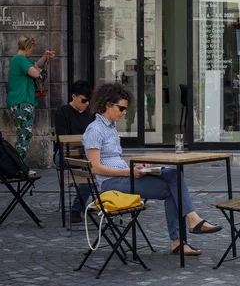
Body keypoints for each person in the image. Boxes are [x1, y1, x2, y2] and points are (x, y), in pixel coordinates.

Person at [83, 83, 222, 256]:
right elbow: (96, 168)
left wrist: (136, 168)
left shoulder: (111, 129)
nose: (124, 112)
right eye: (122, 108)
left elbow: (113, 160)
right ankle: (181, 237)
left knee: (173, 174)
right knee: (172, 190)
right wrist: (129, 172)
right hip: (111, 186)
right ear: (108, 104)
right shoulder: (95, 130)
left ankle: (190, 225)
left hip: (125, 177)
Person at [7, 36, 55, 161]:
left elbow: (36, 65)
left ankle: (18, 165)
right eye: (32, 49)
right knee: (25, 135)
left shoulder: (22, 60)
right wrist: (40, 71)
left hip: (22, 101)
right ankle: (18, 166)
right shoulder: (19, 59)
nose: (32, 51)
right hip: (21, 101)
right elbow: (35, 72)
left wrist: (45, 57)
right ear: (27, 47)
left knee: (24, 135)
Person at [54, 80, 94, 223]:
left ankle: (80, 206)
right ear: (74, 96)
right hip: (65, 152)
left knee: (95, 165)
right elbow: (63, 140)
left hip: (85, 153)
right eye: (84, 100)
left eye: (89, 101)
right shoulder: (62, 112)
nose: (86, 104)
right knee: (89, 166)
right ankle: (77, 208)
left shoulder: (91, 113)